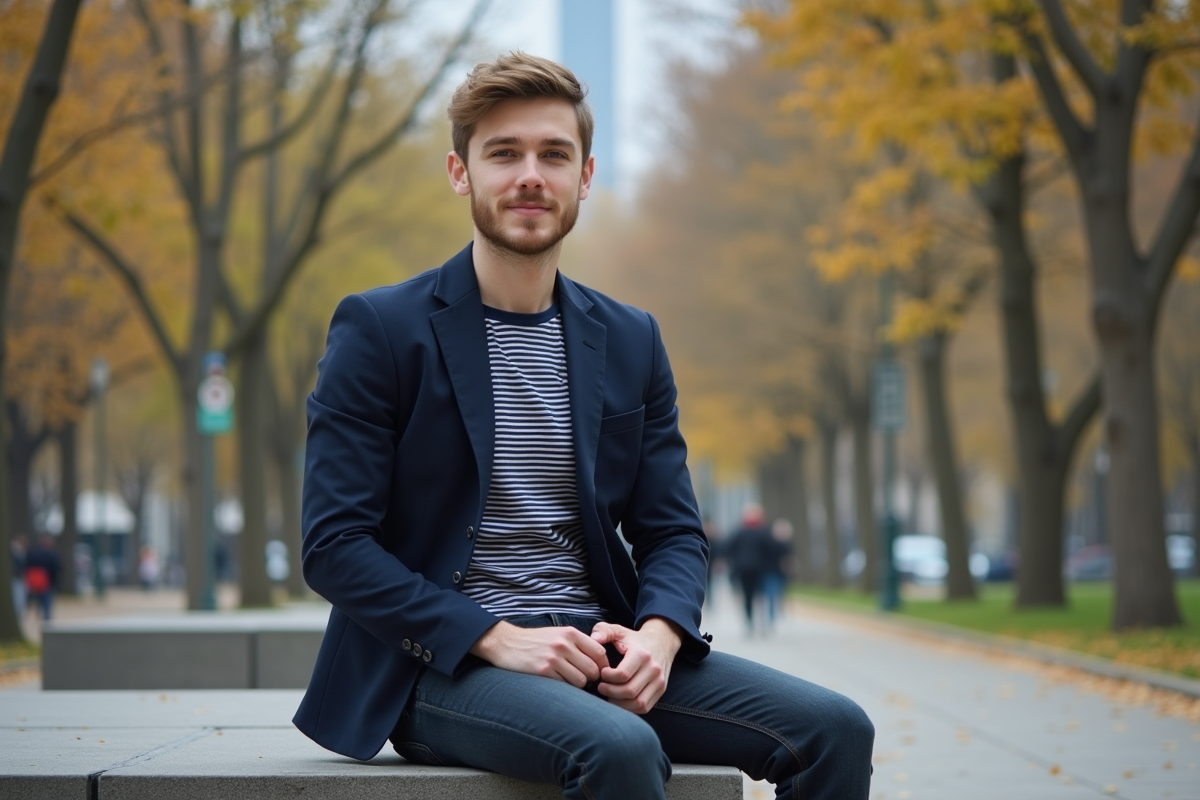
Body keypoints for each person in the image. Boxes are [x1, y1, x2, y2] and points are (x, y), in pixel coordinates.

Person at [294, 52, 873, 800]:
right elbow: (335, 546)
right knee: (620, 748)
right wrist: (495, 637)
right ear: (460, 172)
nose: (530, 176)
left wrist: (660, 635)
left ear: (585, 177)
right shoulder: (380, 329)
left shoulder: (631, 339)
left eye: (554, 155)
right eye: (504, 153)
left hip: (601, 647)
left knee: (835, 729)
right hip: (444, 662)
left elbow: (673, 530)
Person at [726, 503, 774, 633]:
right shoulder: (763, 532)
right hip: (759, 569)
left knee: (748, 595)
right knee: (759, 595)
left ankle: (750, 620)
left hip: (745, 569)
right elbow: (770, 550)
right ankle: (758, 621)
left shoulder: (739, 531)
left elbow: (730, 548)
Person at [24, 534, 61, 622]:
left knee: (39, 601)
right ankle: (46, 619)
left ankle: (40, 617)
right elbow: (57, 568)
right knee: (47, 602)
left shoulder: (33, 552)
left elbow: (27, 566)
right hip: (48, 582)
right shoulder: (51, 554)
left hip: (36, 582)